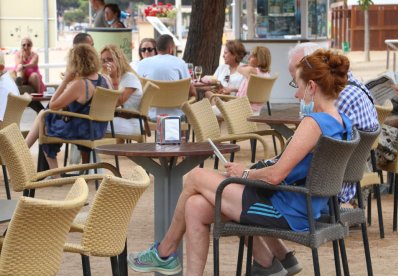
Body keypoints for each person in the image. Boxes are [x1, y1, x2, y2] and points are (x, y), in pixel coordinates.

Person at [127, 49, 353, 276]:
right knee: (195, 207)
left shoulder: (313, 123)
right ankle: (265, 264)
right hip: (301, 204)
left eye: (298, 87)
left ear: (312, 87)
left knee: (196, 177)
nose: (297, 96)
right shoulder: (342, 123)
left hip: (286, 210)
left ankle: (165, 252)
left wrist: (243, 173)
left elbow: (276, 176)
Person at [288, 42, 378, 204]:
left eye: (297, 80)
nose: (297, 91)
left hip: (328, 185)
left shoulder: (336, 100)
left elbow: (305, 151)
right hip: (346, 175)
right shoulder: (347, 87)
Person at [24, 44, 112, 173]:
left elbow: (53, 105)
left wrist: (65, 81)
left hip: (83, 130)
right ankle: (24, 149)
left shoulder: (81, 84)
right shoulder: (105, 79)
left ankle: (54, 175)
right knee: (45, 116)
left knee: (44, 119)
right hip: (98, 128)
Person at [135, 34, 196, 120]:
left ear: (156, 48)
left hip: (150, 115)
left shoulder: (142, 63)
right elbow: (192, 92)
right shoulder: (180, 63)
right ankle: (181, 132)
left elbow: (138, 89)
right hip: (176, 117)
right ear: (171, 49)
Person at [211, 46, 271, 117]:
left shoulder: (251, 71)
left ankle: (215, 127)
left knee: (208, 111)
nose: (249, 58)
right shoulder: (267, 75)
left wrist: (247, 64)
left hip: (240, 108)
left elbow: (239, 68)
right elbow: (251, 92)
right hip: (254, 110)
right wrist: (233, 89)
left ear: (259, 60)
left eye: (251, 57)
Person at [100, 44, 143, 136]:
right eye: (104, 61)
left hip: (132, 122)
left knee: (89, 125)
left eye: (110, 59)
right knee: (85, 123)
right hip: (119, 120)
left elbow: (118, 102)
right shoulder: (106, 78)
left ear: (119, 60)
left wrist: (113, 78)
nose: (107, 63)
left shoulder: (129, 77)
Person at [0, 52, 20, 122]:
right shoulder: (7, 79)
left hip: (4, 130)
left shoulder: (2, 88)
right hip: (10, 129)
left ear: (1, 67)